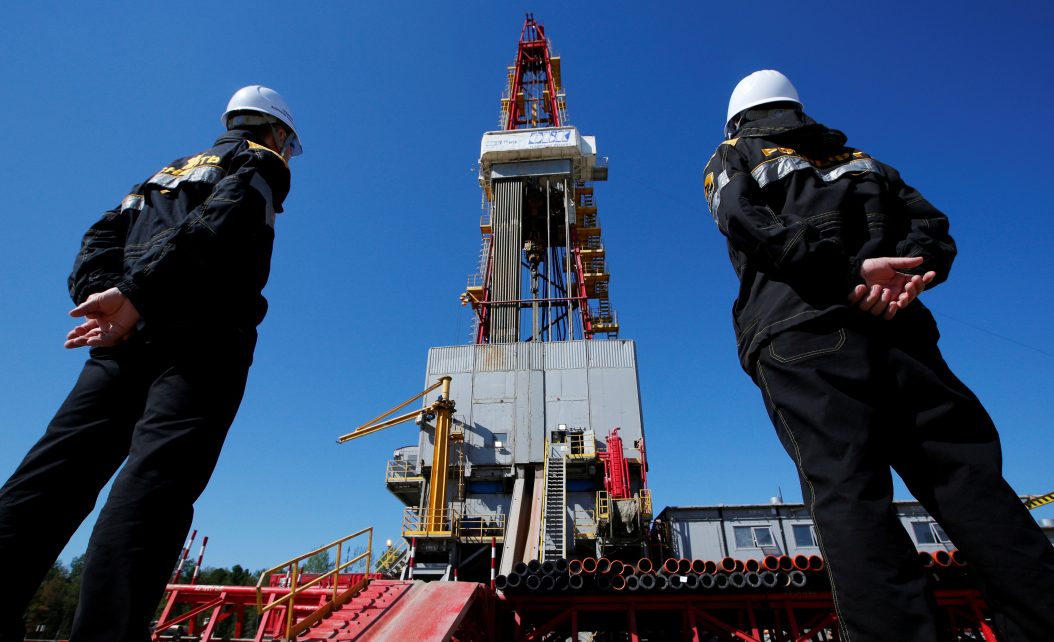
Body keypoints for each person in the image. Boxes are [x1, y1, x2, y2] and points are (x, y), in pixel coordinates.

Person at [703, 70, 1054, 641]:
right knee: (970, 483)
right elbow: (933, 229)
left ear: (739, 117)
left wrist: (842, 275)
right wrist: (908, 278)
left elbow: (744, 220)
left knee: (849, 493)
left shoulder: (732, 152)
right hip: (899, 329)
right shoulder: (864, 160)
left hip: (805, 334)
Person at [0, 85, 302, 642]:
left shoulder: (159, 176)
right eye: (289, 143)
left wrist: (115, 299)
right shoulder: (259, 160)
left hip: (124, 337)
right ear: (277, 132)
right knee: (155, 485)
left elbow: (99, 236)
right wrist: (138, 293)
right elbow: (227, 220)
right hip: (205, 335)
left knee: (51, 477)